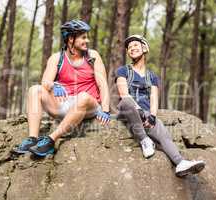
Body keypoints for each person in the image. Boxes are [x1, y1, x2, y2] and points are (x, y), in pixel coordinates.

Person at [13, 20, 110, 157]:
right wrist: (54, 85)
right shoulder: (56, 58)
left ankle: (51, 140)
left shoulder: (93, 56)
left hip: (88, 104)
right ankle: (32, 139)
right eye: (83, 37)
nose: (86, 41)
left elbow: (103, 84)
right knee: (34, 89)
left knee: (83, 96)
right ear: (71, 38)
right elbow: (45, 81)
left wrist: (105, 109)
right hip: (65, 104)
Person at [116, 34, 205, 177]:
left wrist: (152, 116)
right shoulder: (123, 71)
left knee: (161, 130)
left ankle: (180, 163)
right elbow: (123, 93)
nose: (132, 49)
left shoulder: (152, 76)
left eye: (135, 45)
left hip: (145, 114)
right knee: (126, 102)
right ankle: (145, 140)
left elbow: (153, 98)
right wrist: (138, 110)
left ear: (144, 48)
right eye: (129, 47)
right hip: (128, 111)